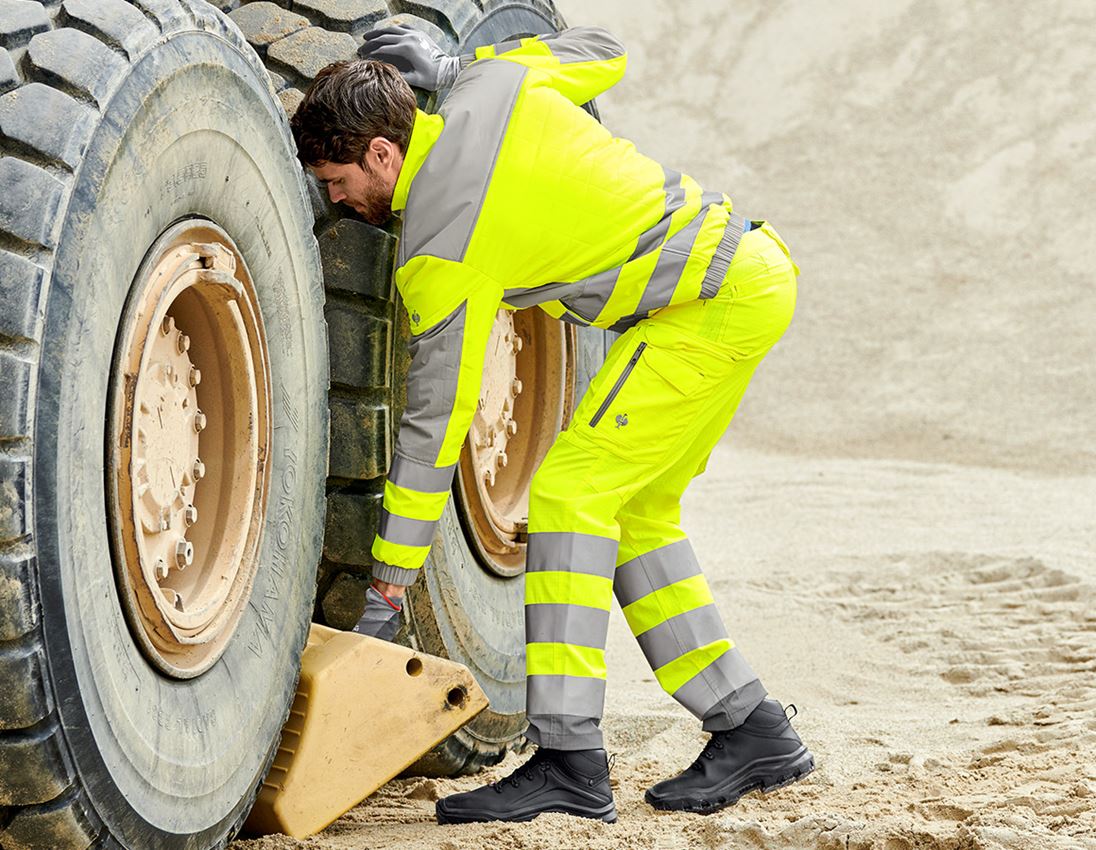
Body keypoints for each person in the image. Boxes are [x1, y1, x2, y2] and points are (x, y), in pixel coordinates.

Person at [289, 23, 813, 824]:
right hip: (741, 278)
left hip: (709, 304)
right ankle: (751, 727)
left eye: (335, 179)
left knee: (569, 492)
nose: (336, 200)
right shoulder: (493, 85)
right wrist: (467, 60)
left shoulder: (441, 246)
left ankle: (568, 759)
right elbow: (605, 49)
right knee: (632, 513)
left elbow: (436, 424)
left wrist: (390, 580)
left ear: (384, 157)